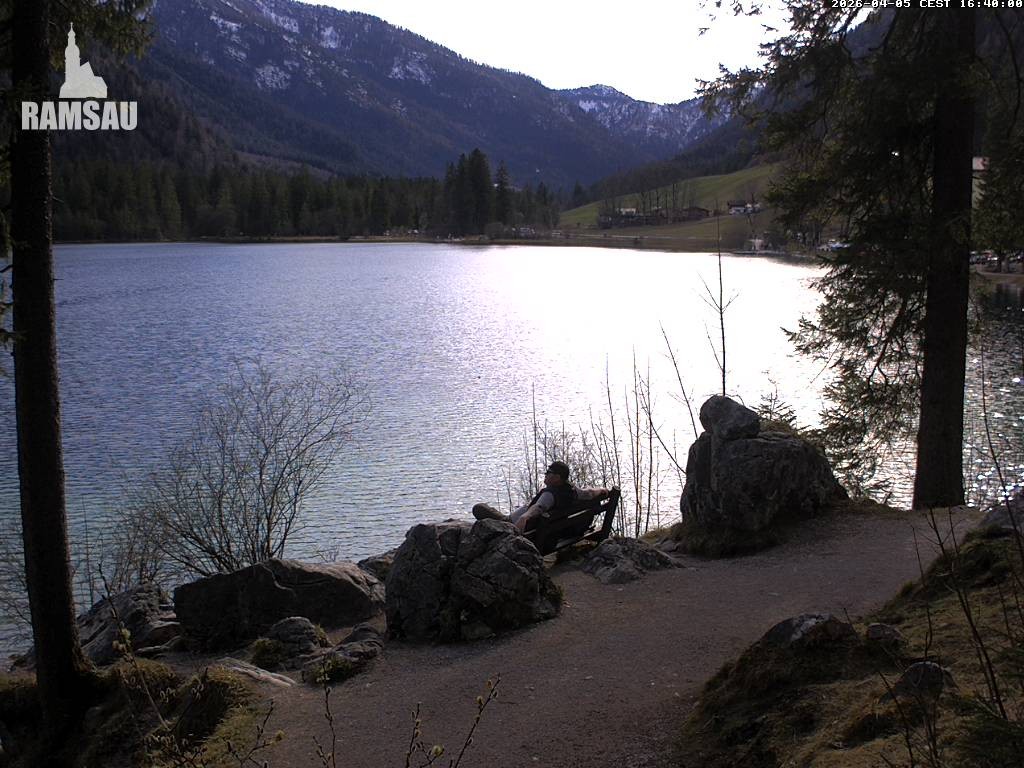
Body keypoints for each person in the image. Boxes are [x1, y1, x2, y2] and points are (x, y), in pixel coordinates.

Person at [473, 461, 609, 533]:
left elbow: (539, 507)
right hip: (551, 531)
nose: (545, 474)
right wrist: (602, 490)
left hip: (511, 524)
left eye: (548, 472)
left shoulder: (550, 494)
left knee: (479, 508)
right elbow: (590, 493)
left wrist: (524, 517)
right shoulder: (573, 491)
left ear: (557, 478)